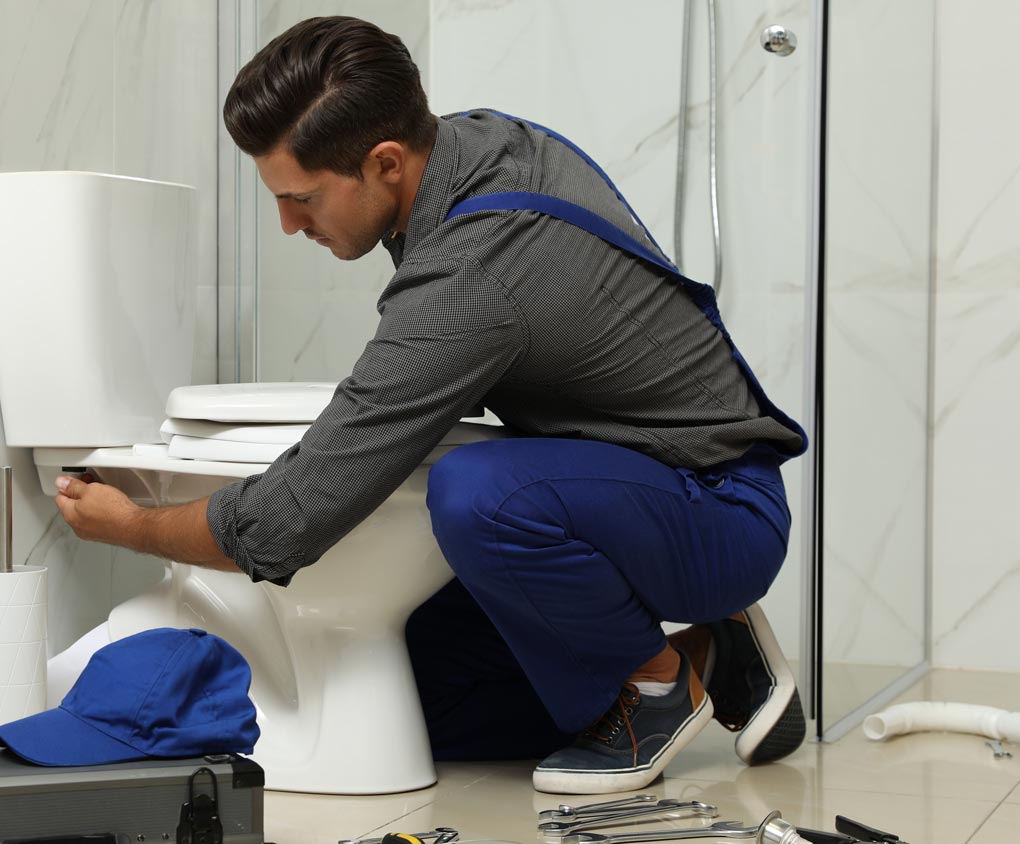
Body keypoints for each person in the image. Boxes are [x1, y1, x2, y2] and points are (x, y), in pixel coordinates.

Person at [52, 15, 808, 794]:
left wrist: (137, 527)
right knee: (425, 700)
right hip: (624, 486)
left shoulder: (474, 274)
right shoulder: (474, 145)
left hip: (715, 505)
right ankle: (709, 656)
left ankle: (653, 688)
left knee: (475, 493)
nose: (287, 223)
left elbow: (292, 518)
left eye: (303, 197)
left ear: (384, 161)